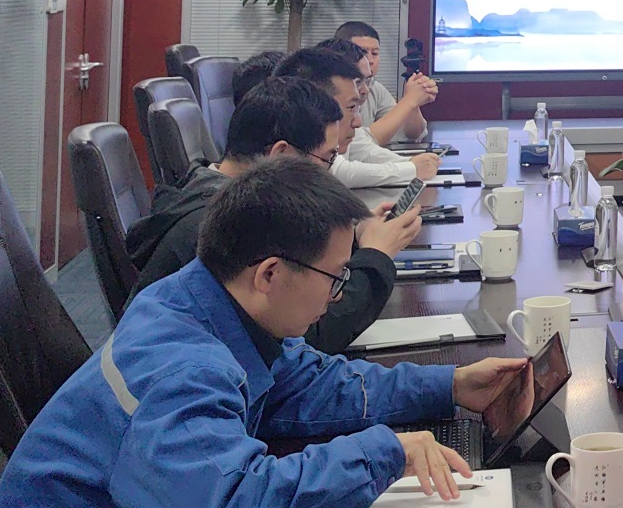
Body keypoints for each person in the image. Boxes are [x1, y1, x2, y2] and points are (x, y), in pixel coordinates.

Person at [0, 158, 531, 508]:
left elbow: (306, 384)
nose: (337, 294)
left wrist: (449, 386)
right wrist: (384, 451)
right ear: (270, 274)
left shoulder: (202, 302)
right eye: (336, 277)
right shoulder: (182, 366)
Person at [126, 76, 419, 351]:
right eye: (328, 158)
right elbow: (308, 341)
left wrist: (349, 237)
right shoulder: (230, 225)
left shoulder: (214, 192)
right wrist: (377, 255)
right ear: (281, 156)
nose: (330, 173)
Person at [277, 42, 438, 186]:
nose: (364, 89)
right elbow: (340, 171)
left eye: (366, 80)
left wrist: (413, 164)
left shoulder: (372, 91)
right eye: (358, 81)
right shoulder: (297, 130)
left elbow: (372, 147)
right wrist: (410, 168)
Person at [337, 19, 437, 147]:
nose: (370, 60)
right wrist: (409, 101)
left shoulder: (374, 87)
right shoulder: (331, 88)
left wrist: (414, 101)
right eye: (362, 53)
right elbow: (356, 144)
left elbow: (412, 134)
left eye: (375, 53)